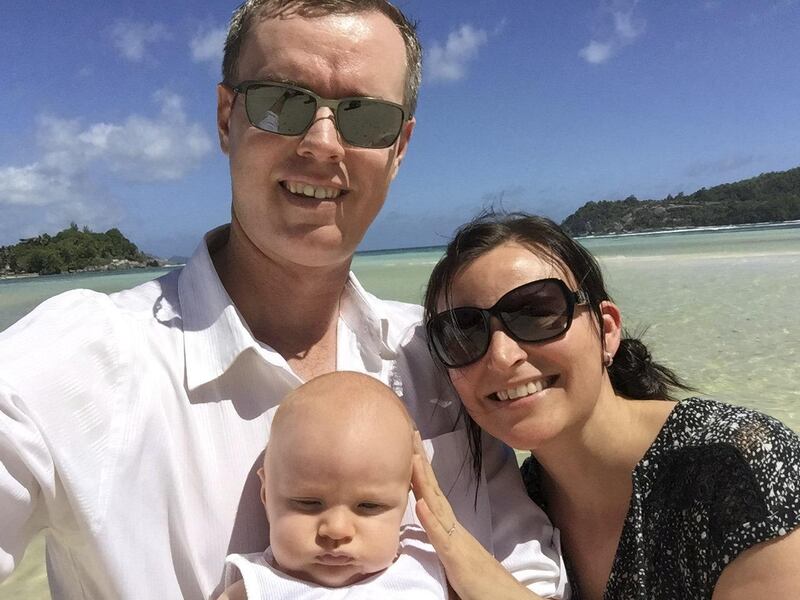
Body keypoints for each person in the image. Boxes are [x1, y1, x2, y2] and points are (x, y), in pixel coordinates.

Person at [0, 3, 567, 598]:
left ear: (398, 148)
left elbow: (534, 577)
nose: (323, 144)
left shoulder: (446, 358)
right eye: (281, 103)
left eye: (366, 117)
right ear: (227, 118)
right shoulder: (90, 359)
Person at [413, 211, 800, 600]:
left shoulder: (737, 466)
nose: (500, 355)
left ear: (608, 330)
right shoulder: (519, 508)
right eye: (462, 333)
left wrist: (484, 578)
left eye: (536, 312)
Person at [219, 371, 449, 599]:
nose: (336, 529)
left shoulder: (426, 564)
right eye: (308, 503)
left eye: (368, 505)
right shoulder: (256, 589)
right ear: (266, 494)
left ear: (406, 496)